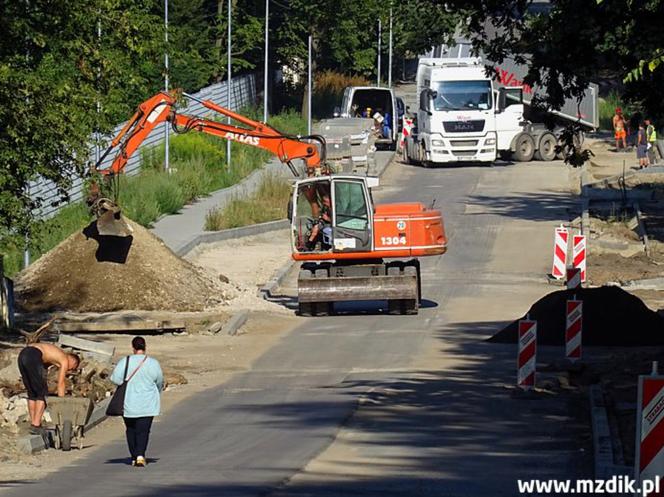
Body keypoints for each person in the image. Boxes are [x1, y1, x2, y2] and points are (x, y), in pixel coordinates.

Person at [111, 336, 163, 467]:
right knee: (143, 430)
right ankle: (140, 455)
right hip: (148, 403)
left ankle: (134, 455)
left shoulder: (125, 361)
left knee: (131, 429)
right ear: (145, 347)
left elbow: (115, 379)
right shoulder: (153, 363)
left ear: (133, 348)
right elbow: (159, 381)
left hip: (128, 403)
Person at [17, 343, 79, 435]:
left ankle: (33, 423)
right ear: (73, 362)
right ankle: (36, 425)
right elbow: (61, 383)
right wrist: (62, 402)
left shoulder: (54, 355)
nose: (69, 370)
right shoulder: (64, 359)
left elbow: (43, 371)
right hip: (33, 355)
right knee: (42, 394)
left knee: (32, 393)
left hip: (23, 354)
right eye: (72, 368)